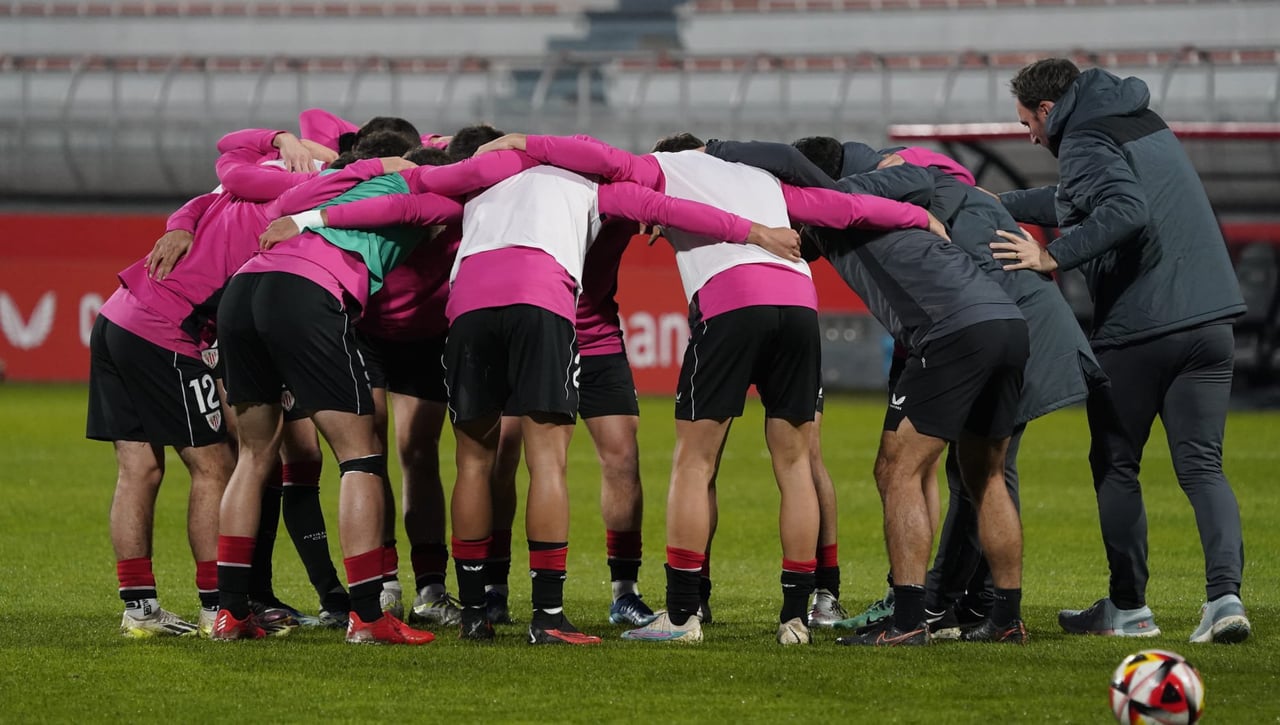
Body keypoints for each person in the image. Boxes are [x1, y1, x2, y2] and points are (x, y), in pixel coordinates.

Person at [476, 131, 944, 645]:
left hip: (732, 303)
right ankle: (796, 617)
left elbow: (597, 156)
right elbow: (841, 208)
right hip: (798, 305)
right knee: (794, 463)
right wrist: (916, 217)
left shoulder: (659, 168)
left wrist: (525, 140)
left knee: (695, 461)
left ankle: (681, 617)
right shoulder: (758, 176)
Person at [705, 137, 1029, 646]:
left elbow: (789, 168)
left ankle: (905, 622)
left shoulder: (830, 203)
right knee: (985, 474)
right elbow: (927, 182)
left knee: (897, 469)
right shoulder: (890, 200)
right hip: (1006, 322)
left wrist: (708, 153)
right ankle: (1006, 618)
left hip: (951, 331)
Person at [993, 58, 1251, 644]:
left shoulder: (1082, 136)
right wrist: (1001, 205)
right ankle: (1224, 600)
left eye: (1028, 122)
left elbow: (1124, 211)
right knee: (1203, 467)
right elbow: (1084, 197)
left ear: (1048, 109)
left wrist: (1050, 256)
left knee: (1115, 464)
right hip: (1211, 321)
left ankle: (1130, 608)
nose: (1030, 136)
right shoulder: (1140, 119)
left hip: (1143, 326)